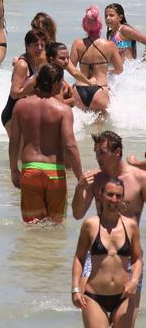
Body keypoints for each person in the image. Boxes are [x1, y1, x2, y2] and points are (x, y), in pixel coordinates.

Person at [72, 131, 146, 325]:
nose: (97, 158)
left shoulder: (140, 178)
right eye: (96, 153)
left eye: (102, 153)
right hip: (97, 254)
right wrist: (80, 188)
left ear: (117, 152)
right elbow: (78, 213)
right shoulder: (95, 180)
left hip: (128, 257)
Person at [9, 63, 83, 223]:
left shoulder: (20, 106)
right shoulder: (63, 110)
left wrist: (14, 169)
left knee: (32, 225)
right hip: (54, 172)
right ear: (55, 83)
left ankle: (34, 249)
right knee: (55, 225)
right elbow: (70, 145)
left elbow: (14, 141)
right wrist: (80, 177)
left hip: (30, 171)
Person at [70, 5, 123, 113]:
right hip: (100, 88)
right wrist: (108, 71)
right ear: (99, 24)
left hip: (79, 89)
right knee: (101, 127)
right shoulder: (109, 45)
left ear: (84, 25)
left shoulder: (77, 43)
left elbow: (70, 67)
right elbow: (119, 70)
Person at [0, 29, 46, 135]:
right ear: (27, 45)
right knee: (21, 151)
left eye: (42, 45)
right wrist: (36, 92)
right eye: (35, 45)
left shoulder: (34, 61)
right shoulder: (22, 65)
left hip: (23, 113)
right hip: (12, 114)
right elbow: (14, 93)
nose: (39, 48)